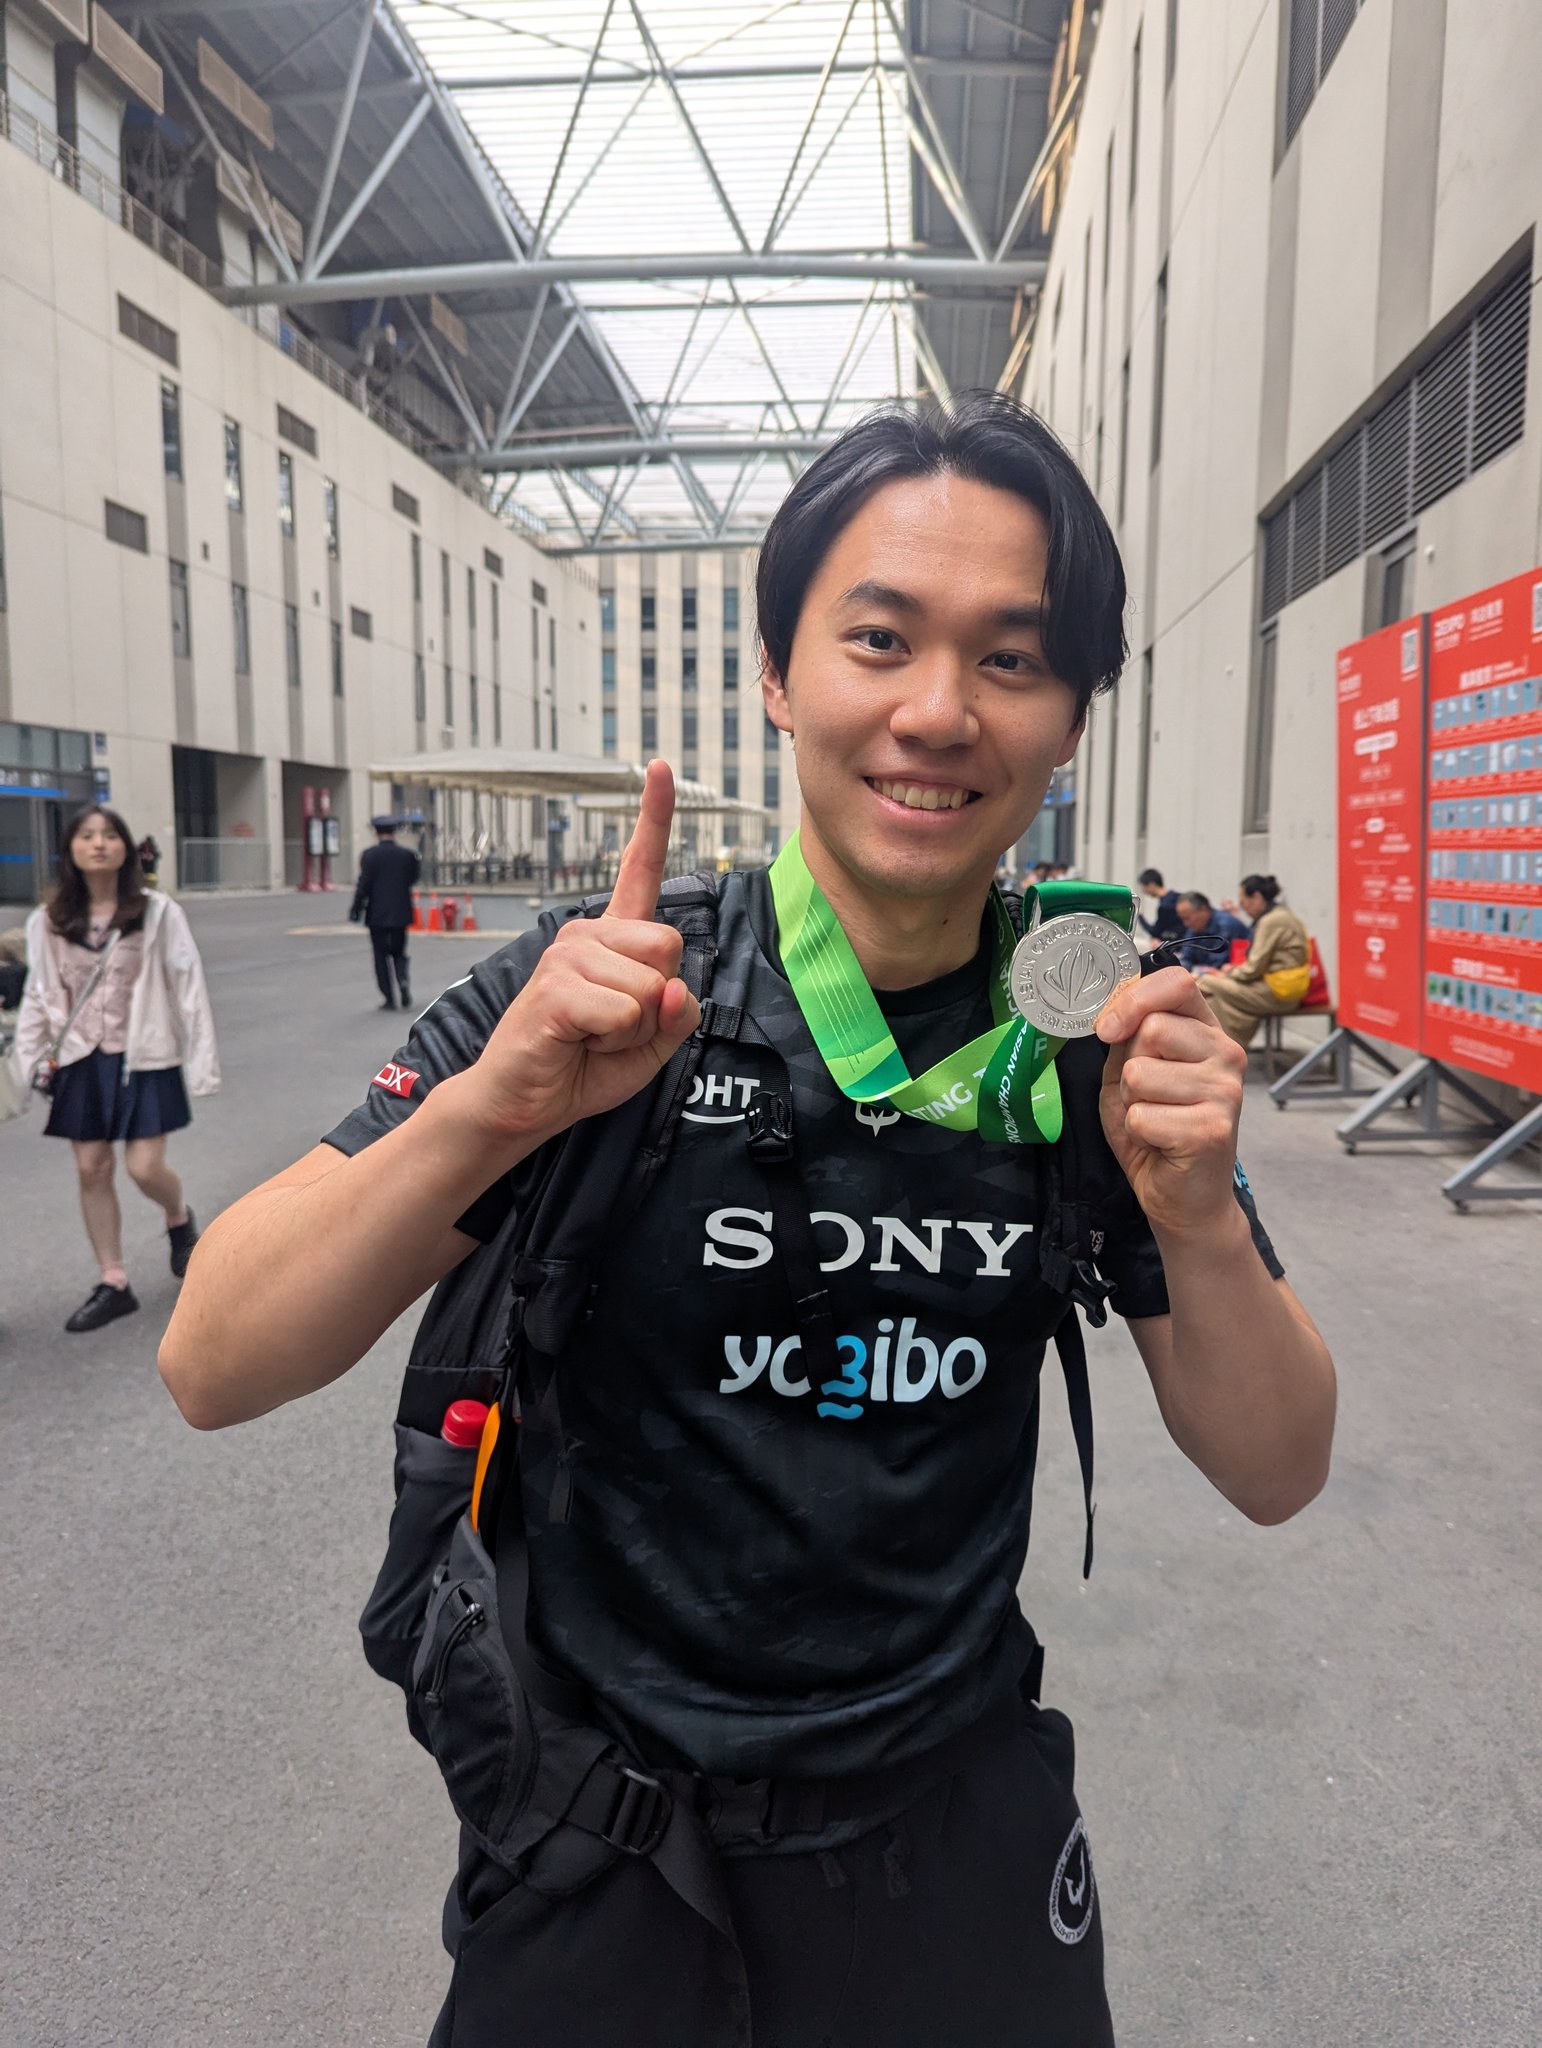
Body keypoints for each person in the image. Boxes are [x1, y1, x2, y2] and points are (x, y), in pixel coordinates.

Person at [159, 396, 1335, 2048]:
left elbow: (1277, 1468)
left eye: (1009, 659)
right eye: (879, 638)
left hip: (949, 1845)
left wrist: (1196, 1218)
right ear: (777, 672)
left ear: (1071, 717)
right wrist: (492, 1112)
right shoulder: (608, 987)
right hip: (602, 1844)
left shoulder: (1077, 1029)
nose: (937, 710)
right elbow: (213, 1357)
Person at [14, 805, 217, 1332]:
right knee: (92, 1168)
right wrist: (25, 1064)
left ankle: (178, 1217)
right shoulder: (50, 919)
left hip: (145, 1056)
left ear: (126, 847)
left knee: (144, 1168)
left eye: (109, 835)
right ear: (71, 850)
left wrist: (202, 1062)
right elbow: (39, 994)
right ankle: (113, 1280)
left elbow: (188, 984)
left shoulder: (156, 912)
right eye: (86, 835)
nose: (98, 843)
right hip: (82, 1060)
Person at [1200, 875, 1312, 1047]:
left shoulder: (1271, 921)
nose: (1243, 908)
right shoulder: (1283, 915)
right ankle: (1223, 1046)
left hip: (1277, 991)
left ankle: (1221, 1046)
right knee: (1215, 997)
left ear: (1257, 897)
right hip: (1282, 988)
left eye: (1243, 902)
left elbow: (1253, 968)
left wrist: (1227, 973)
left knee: (1206, 982)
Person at [351, 816, 421, 1011]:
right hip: (401, 912)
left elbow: (364, 884)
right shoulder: (408, 855)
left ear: (376, 832)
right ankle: (403, 979)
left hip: (377, 914)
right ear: (394, 832)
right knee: (399, 952)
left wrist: (356, 908)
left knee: (380, 956)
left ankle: (389, 997)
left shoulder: (369, 855)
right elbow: (413, 878)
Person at [1174, 890, 1251, 975]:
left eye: (1187, 918)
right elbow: (1186, 958)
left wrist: (1196, 971)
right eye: (1182, 919)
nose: (1185, 924)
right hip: (1202, 974)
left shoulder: (1226, 925)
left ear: (1203, 909)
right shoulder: (1194, 927)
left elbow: (1217, 964)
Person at [1136, 867, 1183, 944]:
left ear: (1151, 884)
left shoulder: (1164, 906)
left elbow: (1155, 931)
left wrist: (1140, 916)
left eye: (1144, 887)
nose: (1144, 891)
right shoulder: (1178, 896)